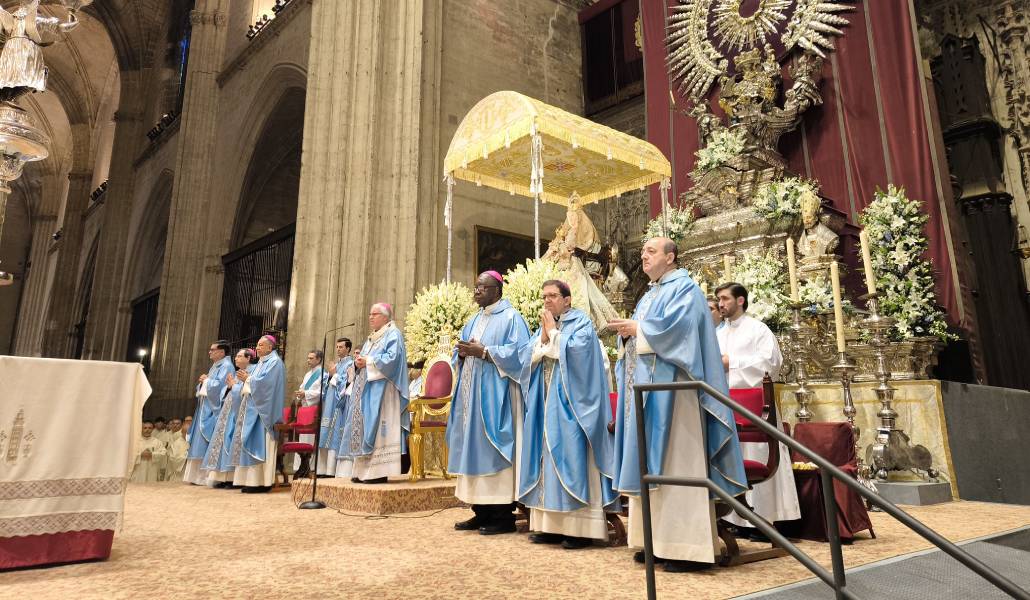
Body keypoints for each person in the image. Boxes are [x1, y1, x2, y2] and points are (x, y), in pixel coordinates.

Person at [608, 237, 747, 572]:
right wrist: (627, 332)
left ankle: (686, 548)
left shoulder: (685, 289)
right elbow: (644, 333)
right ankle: (654, 542)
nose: (643, 255)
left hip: (677, 395)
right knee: (651, 466)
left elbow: (680, 334)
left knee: (676, 465)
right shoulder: (651, 293)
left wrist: (637, 329)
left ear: (670, 257)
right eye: (642, 251)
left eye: (651, 251)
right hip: (649, 391)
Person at [519, 279, 618, 549]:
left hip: (573, 405)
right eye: (544, 297)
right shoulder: (547, 325)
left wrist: (552, 335)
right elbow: (527, 355)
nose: (547, 301)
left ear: (567, 299)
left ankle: (579, 529)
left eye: (553, 295)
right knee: (546, 462)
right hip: (545, 403)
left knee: (571, 458)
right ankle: (550, 526)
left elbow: (580, 355)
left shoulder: (581, 322)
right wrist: (543, 338)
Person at [447, 271, 530, 535]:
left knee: (493, 453)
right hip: (470, 399)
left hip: (495, 398)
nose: (477, 290)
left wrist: (484, 352)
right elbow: (459, 354)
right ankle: (480, 512)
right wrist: (460, 353)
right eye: (476, 286)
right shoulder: (472, 320)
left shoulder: (511, 318)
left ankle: (502, 516)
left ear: (498, 289)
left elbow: (521, 354)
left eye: (483, 286)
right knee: (471, 453)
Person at [715, 282, 799, 535]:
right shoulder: (717, 334)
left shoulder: (758, 329)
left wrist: (733, 363)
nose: (721, 304)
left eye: (725, 299)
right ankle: (733, 519)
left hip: (754, 404)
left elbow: (771, 363)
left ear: (741, 300)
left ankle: (763, 519)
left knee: (757, 453)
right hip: (724, 404)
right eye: (718, 299)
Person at [336, 303, 409, 484]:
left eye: (374, 314)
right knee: (364, 426)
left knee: (378, 429)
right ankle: (362, 471)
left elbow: (392, 359)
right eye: (370, 314)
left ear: (385, 317)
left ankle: (378, 472)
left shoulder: (393, 334)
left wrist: (367, 361)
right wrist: (358, 362)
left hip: (383, 391)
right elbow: (364, 360)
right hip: (366, 388)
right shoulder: (371, 338)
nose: (370, 317)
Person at [542, 194, 620, 332]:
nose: (571, 219)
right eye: (569, 216)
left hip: (579, 264)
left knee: (579, 288)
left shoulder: (583, 230)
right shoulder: (565, 232)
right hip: (564, 266)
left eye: (574, 216)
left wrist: (572, 245)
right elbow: (558, 247)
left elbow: (583, 247)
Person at [231, 335, 286, 493]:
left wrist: (249, 379)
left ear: (270, 347)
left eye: (261, 345)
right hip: (253, 409)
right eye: (257, 345)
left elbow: (266, 386)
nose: (258, 348)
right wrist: (247, 380)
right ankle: (252, 482)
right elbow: (255, 381)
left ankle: (263, 482)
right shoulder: (261, 362)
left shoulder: (275, 363)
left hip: (265, 412)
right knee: (250, 442)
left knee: (262, 444)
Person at [203, 348, 257, 488]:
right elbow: (228, 391)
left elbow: (250, 392)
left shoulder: (253, 371)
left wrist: (234, 386)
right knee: (222, 442)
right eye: (236, 356)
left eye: (240, 356)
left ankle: (232, 478)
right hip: (228, 410)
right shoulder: (236, 372)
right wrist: (228, 388)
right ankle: (222, 477)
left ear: (249, 358)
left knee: (232, 441)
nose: (236, 359)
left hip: (240, 412)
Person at [183, 340, 235, 485]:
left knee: (205, 441)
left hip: (212, 410)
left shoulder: (227, 366)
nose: (209, 352)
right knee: (198, 441)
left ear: (222, 352)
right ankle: (195, 476)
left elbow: (220, 387)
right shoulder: (216, 366)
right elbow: (211, 383)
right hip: (205, 407)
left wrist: (207, 381)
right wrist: (203, 382)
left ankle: (204, 477)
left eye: (213, 350)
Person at [320, 338, 354, 477]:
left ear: (348, 349)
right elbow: (328, 382)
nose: (338, 349)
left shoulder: (350, 364)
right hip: (329, 403)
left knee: (334, 434)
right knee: (325, 433)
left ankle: (331, 471)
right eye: (337, 347)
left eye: (341, 347)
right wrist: (329, 376)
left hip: (339, 405)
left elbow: (347, 383)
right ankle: (323, 469)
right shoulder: (337, 364)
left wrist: (335, 375)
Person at [293, 349, 327, 475]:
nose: (308, 360)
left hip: (314, 410)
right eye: (308, 358)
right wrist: (300, 394)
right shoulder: (308, 374)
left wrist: (305, 393)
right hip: (305, 408)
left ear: (319, 359)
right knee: (302, 436)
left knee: (311, 437)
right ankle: (300, 467)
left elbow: (323, 392)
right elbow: (302, 388)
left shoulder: (323, 374)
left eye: (311, 358)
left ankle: (310, 467)